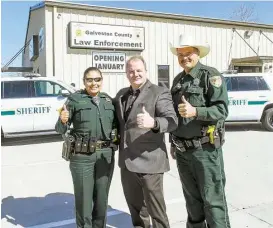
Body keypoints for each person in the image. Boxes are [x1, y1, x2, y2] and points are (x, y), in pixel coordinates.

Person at [169, 34, 231, 228]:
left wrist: (196, 111)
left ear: (197, 53)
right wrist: (172, 142)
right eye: (180, 54)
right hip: (183, 151)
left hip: (205, 151)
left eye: (188, 53)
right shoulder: (178, 79)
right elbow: (176, 115)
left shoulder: (210, 76)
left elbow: (222, 110)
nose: (184, 57)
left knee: (213, 201)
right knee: (192, 203)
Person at [114, 55, 178, 228]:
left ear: (146, 71)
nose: (135, 74)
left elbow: (172, 121)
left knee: (156, 211)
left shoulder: (159, 92)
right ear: (126, 73)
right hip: (127, 163)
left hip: (150, 162)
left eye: (139, 70)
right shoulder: (121, 95)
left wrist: (154, 123)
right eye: (131, 71)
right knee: (136, 210)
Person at [55, 67, 117, 228]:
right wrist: (62, 120)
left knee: (102, 199)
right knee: (83, 201)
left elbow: (117, 127)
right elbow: (60, 129)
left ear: (102, 81)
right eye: (89, 80)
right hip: (82, 156)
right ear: (84, 82)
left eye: (97, 79)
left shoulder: (108, 100)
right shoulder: (74, 100)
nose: (93, 83)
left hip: (105, 155)